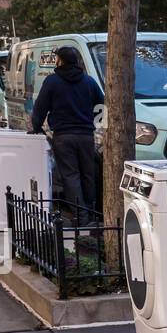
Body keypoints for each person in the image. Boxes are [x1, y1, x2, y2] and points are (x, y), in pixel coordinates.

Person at [29, 46, 104, 216]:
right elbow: (102, 106)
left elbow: (40, 107)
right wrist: (94, 122)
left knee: (71, 176)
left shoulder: (52, 81)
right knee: (88, 175)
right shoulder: (89, 81)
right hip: (86, 136)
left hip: (63, 136)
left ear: (60, 60)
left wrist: (36, 127)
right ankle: (91, 212)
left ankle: (81, 216)